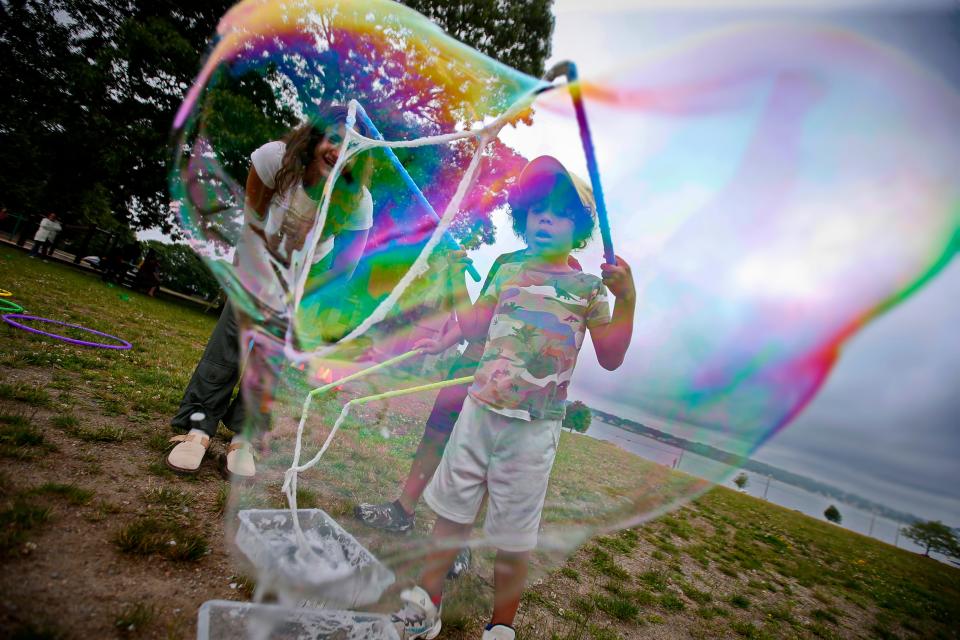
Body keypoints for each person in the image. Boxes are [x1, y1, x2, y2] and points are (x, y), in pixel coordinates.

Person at [391, 156, 636, 640]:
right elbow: (474, 328)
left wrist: (628, 298)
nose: (545, 219)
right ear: (523, 216)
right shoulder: (508, 268)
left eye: (560, 212)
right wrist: (458, 280)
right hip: (478, 412)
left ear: (581, 228)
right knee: (451, 516)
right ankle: (427, 604)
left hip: (534, 428)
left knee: (514, 536)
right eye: (536, 209)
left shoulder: (589, 288)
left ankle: (502, 627)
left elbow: (611, 357)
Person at [167, 105, 374, 481]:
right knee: (230, 339)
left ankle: (244, 438)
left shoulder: (358, 200)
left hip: (305, 278)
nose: (339, 150)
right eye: (334, 138)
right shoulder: (272, 159)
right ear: (315, 138)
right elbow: (254, 218)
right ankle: (197, 428)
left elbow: (344, 268)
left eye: (351, 147)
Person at [354, 249, 582, 578]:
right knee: (436, 433)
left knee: (481, 456)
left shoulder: (571, 273)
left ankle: (458, 541)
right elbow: (479, 319)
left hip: (507, 381)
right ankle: (403, 510)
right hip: (471, 361)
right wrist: (444, 341)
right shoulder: (507, 261)